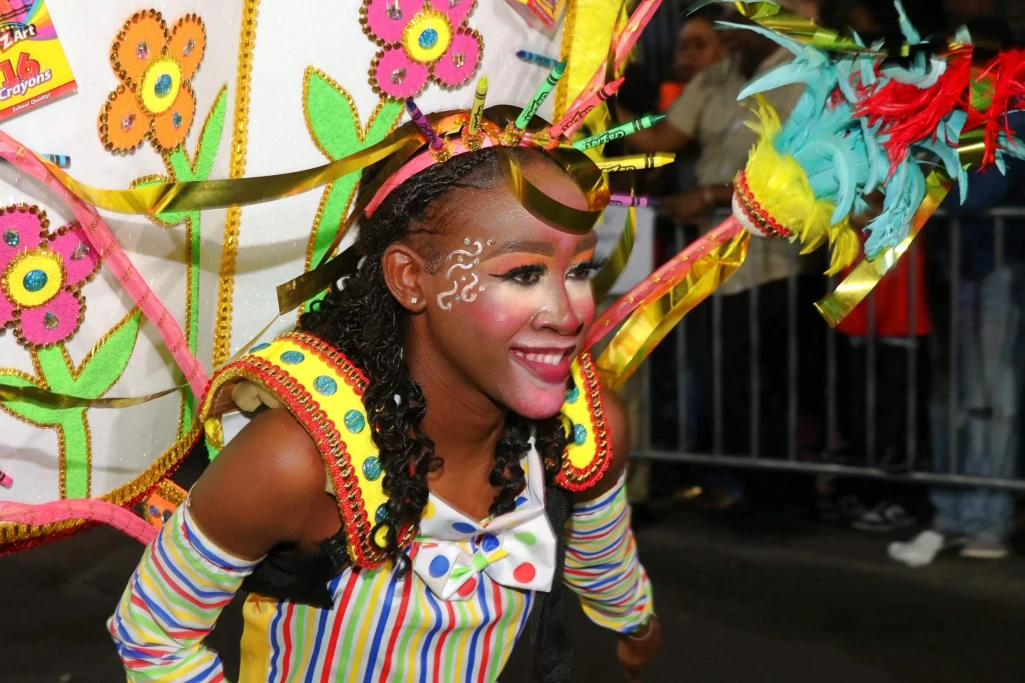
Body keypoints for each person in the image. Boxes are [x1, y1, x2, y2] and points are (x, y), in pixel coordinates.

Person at [106, 134, 659, 680]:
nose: (567, 314)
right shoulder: (298, 461)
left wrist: (636, 624)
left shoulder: (585, 428)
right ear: (410, 278)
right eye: (523, 274)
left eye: (580, 270)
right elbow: (153, 636)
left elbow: (603, 559)